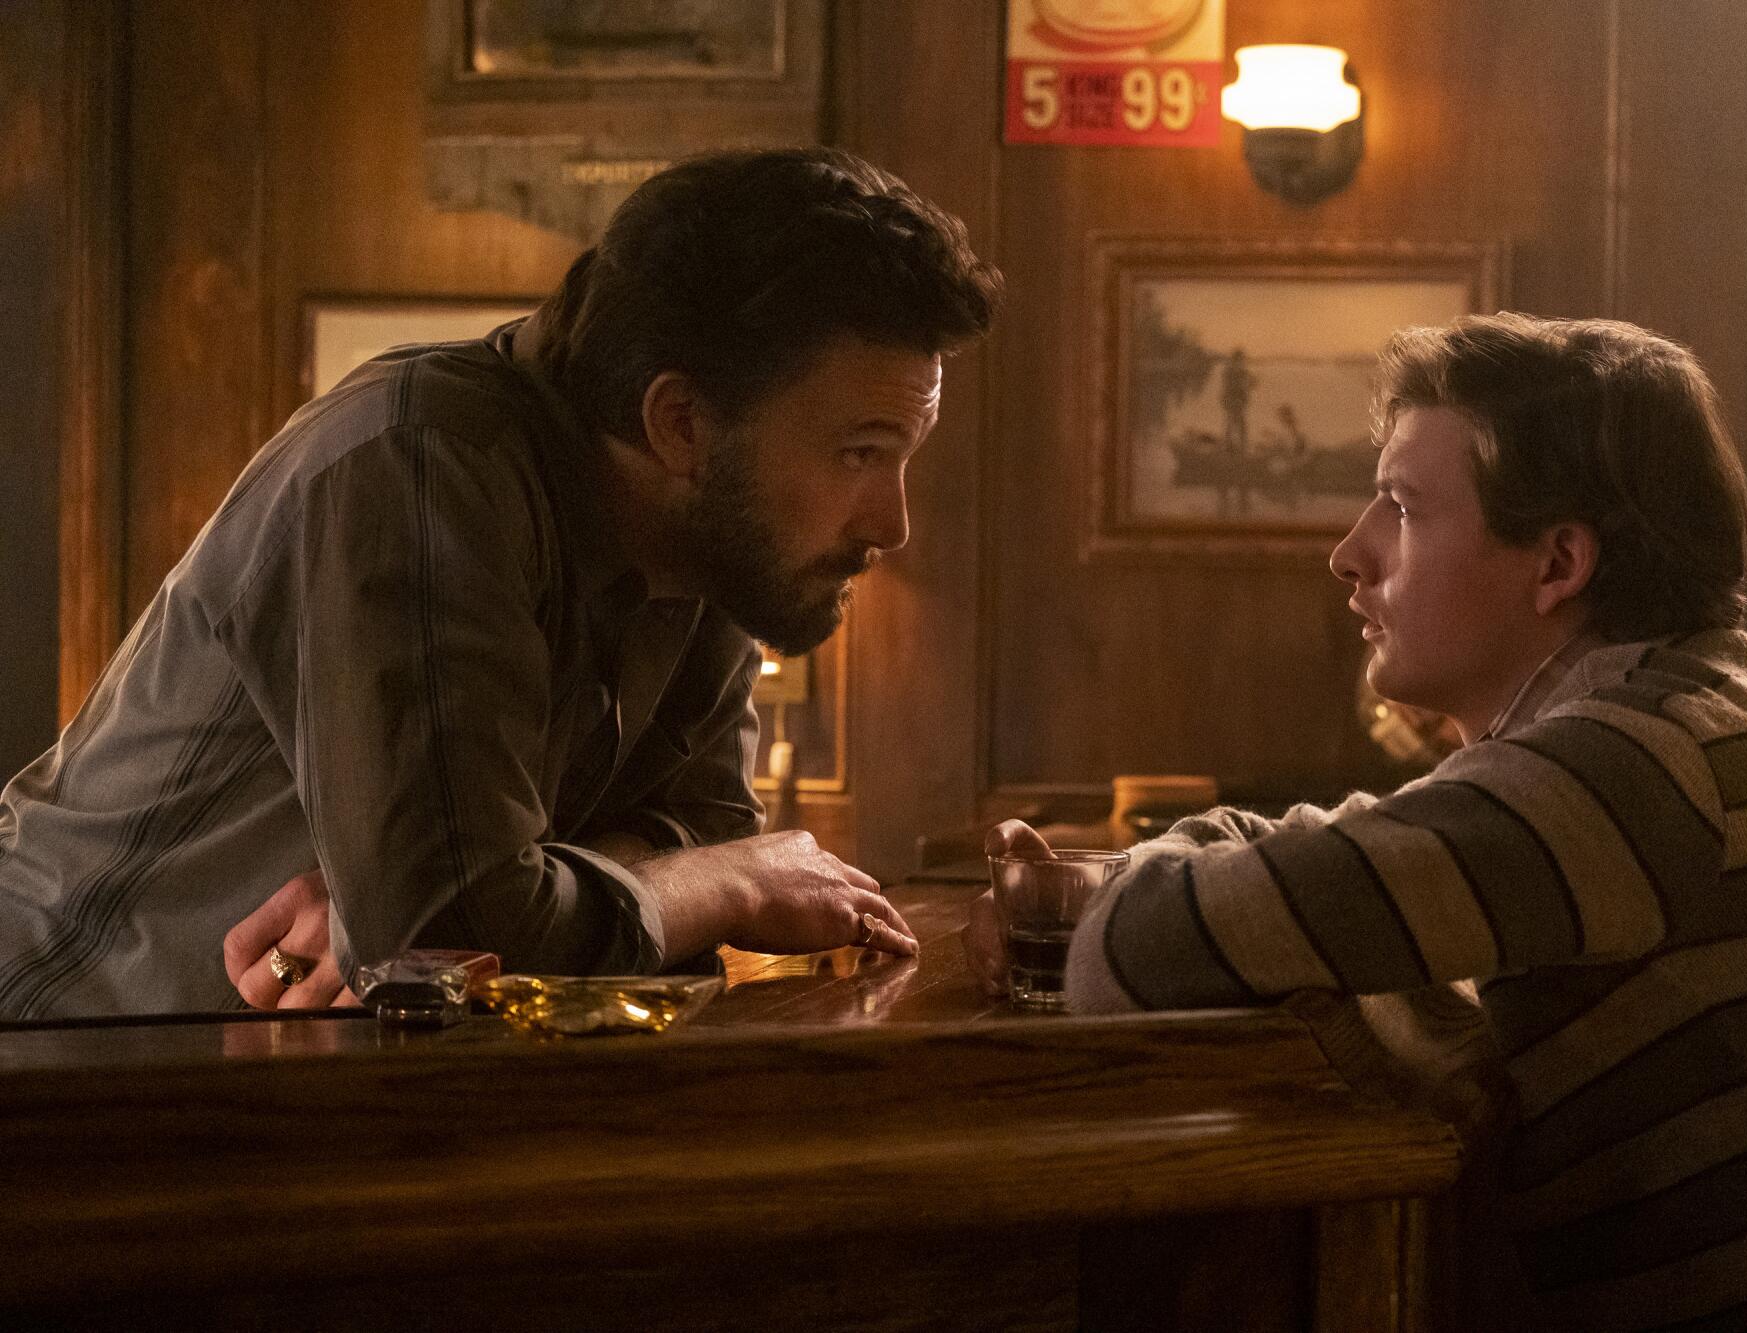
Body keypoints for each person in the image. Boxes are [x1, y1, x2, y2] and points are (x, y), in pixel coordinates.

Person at [969, 314, 1747, 1331]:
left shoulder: (1629, 769)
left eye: (1402, 507)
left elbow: (1136, 950)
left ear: (1556, 564)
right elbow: (1338, 862)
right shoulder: (1667, 728)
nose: (1347, 552)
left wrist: (1098, 901)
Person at [0, 147, 1001, 1020]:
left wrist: (427, 902)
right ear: (681, 424)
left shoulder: (710, 539)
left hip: (277, 1087)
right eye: (861, 453)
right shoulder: (421, 463)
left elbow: (696, 827)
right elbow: (459, 932)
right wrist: (728, 885)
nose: (892, 523)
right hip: (66, 1063)